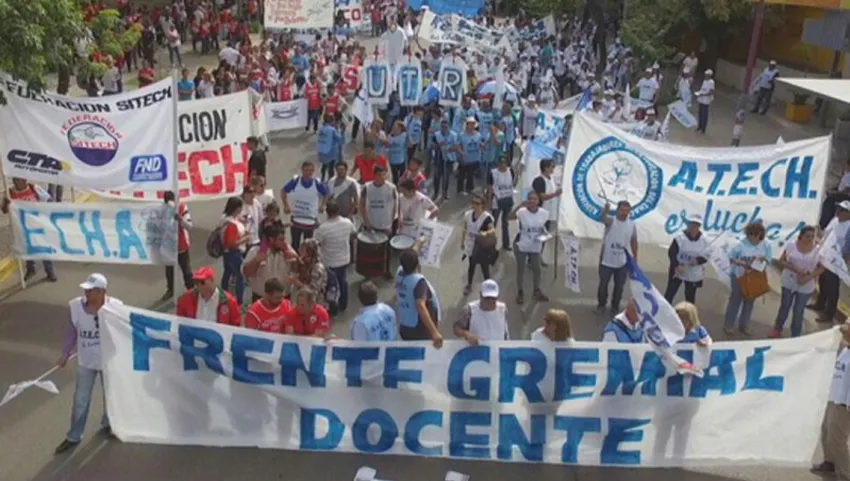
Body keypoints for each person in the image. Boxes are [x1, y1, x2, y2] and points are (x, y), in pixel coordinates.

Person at [54, 273, 124, 454]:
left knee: (110, 395)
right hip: (86, 361)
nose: (86, 293)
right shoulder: (76, 307)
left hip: (108, 361)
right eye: (86, 290)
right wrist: (65, 353)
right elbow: (72, 331)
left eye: (91, 291)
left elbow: (124, 330)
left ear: (102, 292)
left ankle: (109, 424)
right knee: (80, 400)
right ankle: (73, 436)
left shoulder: (115, 307)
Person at [811, 323, 850, 480]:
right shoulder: (845, 350)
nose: (845, 331)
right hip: (833, 397)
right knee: (826, 431)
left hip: (844, 404)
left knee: (837, 439)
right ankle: (830, 462)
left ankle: (846, 473)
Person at [769, 226, 823, 338]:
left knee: (798, 310)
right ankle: (777, 329)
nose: (810, 239)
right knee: (785, 306)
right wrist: (795, 269)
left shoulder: (818, 250)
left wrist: (808, 278)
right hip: (789, 280)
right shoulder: (791, 245)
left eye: (812, 237)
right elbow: (782, 260)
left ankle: (795, 335)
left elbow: (822, 267)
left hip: (806, 284)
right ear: (801, 235)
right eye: (807, 236)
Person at [1, 178, 56, 282]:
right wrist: (6, 203)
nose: (22, 182)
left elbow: (49, 199)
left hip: (38, 224)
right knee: (28, 249)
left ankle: (49, 271)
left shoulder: (34, 188)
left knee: (43, 248)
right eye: (19, 180)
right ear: (14, 181)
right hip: (22, 226)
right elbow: (4, 210)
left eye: (23, 179)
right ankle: (31, 269)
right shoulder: (10, 193)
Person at [724, 221, 773, 336]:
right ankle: (728, 325)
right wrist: (741, 263)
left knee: (749, 301)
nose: (757, 238)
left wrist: (762, 260)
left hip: (755, 277)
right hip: (739, 276)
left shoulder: (766, 244)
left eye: (759, 236)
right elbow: (731, 258)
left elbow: (769, 259)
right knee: (735, 301)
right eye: (754, 235)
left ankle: (744, 325)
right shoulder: (739, 244)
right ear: (749, 234)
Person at [395, 237, 443, 347]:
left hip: (405, 324)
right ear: (417, 264)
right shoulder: (418, 282)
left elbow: (411, 256)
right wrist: (434, 332)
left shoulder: (399, 273)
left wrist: (419, 242)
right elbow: (420, 305)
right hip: (419, 330)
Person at [810, 201, 850, 323]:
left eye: (842, 210)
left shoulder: (848, 226)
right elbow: (825, 234)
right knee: (822, 281)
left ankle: (829, 314)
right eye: (838, 208)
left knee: (832, 288)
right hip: (824, 255)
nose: (838, 211)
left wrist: (843, 261)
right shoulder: (834, 220)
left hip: (836, 261)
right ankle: (820, 304)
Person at [314, 201, 357, 313]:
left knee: (331, 286)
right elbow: (354, 233)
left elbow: (315, 243)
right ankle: (343, 304)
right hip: (344, 259)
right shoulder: (347, 223)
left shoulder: (323, 228)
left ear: (327, 213)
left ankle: (333, 308)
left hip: (329, 262)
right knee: (343, 281)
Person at [596, 200, 638, 315]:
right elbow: (603, 218)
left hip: (622, 261)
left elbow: (633, 240)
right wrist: (605, 210)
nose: (624, 213)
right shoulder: (611, 221)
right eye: (622, 210)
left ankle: (615, 306)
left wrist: (634, 258)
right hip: (607, 260)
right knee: (603, 284)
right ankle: (601, 304)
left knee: (619, 286)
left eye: (627, 211)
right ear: (617, 210)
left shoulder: (632, 225)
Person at [509, 191, 550, 305]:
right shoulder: (522, 212)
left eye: (534, 199)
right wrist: (519, 206)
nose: (532, 201)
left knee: (537, 270)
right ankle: (520, 291)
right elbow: (510, 217)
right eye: (530, 199)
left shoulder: (543, 213)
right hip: (522, 245)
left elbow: (543, 228)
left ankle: (536, 290)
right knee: (520, 270)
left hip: (535, 246)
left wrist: (546, 235)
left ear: (538, 201)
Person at [281, 161, 330, 251]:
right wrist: (286, 205)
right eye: (306, 170)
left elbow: (326, 193)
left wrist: (323, 205)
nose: (308, 173)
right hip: (296, 219)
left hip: (310, 220)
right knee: (295, 243)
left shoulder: (317, 183)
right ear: (302, 170)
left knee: (307, 245)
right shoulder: (295, 181)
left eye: (310, 171)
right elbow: (283, 191)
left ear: (313, 171)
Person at [360, 165, 399, 277]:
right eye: (379, 175)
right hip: (371, 224)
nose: (382, 177)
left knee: (386, 251)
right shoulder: (367, 187)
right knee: (371, 250)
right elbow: (362, 205)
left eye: (384, 175)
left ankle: (386, 270)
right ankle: (370, 272)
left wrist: (392, 223)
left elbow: (395, 205)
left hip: (385, 225)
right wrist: (366, 222)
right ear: (374, 175)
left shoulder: (391, 188)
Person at [243, 227, 298, 302]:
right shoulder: (255, 251)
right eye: (280, 240)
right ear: (271, 240)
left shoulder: (288, 250)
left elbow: (297, 270)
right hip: (261, 298)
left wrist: (295, 259)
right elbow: (246, 273)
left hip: (283, 298)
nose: (284, 242)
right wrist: (256, 261)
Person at [663, 214, 709, 303]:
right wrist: (676, 264)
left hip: (693, 270)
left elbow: (707, 255)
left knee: (690, 295)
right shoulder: (680, 237)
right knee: (670, 293)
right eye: (692, 223)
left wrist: (698, 260)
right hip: (678, 270)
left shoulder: (704, 239)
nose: (693, 226)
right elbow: (672, 252)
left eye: (696, 224)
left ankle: (689, 314)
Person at [176, 267, 242, 325]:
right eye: (196, 282)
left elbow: (235, 325)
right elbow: (179, 320)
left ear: (211, 280)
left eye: (202, 282)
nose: (199, 285)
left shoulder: (229, 301)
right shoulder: (186, 298)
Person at [454, 279, 509, 344]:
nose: (490, 301)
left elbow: (504, 332)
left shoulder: (503, 309)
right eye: (487, 298)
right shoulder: (469, 310)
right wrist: (466, 334)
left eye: (493, 298)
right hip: (476, 351)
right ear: (480, 295)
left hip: (497, 352)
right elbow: (456, 329)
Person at [461, 194, 496, 296]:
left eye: (477, 203)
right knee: (471, 265)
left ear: (482, 205)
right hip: (471, 245)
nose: (475, 205)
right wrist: (462, 241)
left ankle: (488, 288)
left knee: (484, 268)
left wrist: (486, 233)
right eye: (473, 203)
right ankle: (469, 285)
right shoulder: (468, 214)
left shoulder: (487, 217)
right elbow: (465, 228)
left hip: (482, 247)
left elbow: (493, 230)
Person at [531, 158, 562, 266]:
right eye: (551, 166)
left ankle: (539, 257)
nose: (553, 169)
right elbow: (542, 196)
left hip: (549, 213)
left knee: (544, 237)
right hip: (540, 213)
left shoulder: (551, 179)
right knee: (538, 236)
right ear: (545, 167)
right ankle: (533, 259)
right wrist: (555, 194)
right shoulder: (539, 180)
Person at [162, 191, 193, 300]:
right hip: (168, 247)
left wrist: (180, 219)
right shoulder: (162, 210)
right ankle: (170, 290)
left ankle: (191, 291)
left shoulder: (182, 207)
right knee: (169, 272)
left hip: (182, 246)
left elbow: (189, 226)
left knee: (187, 271)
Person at [219, 196, 249, 305]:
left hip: (226, 253)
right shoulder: (232, 225)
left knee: (227, 273)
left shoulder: (224, 218)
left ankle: (224, 296)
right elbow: (232, 243)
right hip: (234, 253)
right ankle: (239, 301)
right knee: (240, 277)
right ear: (236, 208)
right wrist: (245, 238)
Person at [487, 155, 516, 251]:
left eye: (504, 162)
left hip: (508, 200)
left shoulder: (510, 171)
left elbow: (512, 185)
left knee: (505, 223)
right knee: (493, 223)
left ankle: (506, 244)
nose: (502, 164)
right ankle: (490, 244)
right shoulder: (493, 173)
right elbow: (490, 188)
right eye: (501, 162)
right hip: (497, 201)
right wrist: (489, 202)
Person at [289, 239, 329, 308]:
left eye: (302, 249)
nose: (299, 250)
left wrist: (299, 284)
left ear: (309, 252)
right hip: (301, 301)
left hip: (315, 303)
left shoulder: (318, 268)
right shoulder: (302, 262)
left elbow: (314, 291)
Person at [431, 117, 460, 201]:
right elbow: (432, 146)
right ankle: (436, 192)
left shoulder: (453, 135)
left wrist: (450, 149)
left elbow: (457, 146)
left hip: (448, 159)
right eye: (442, 127)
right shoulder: (436, 135)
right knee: (436, 177)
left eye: (446, 127)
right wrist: (439, 145)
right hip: (438, 158)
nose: (444, 128)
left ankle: (445, 193)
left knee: (446, 177)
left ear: (448, 127)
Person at [458, 117, 484, 194]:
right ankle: (460, 189)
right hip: (464, 158)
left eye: (473, 124)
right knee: (462, 175)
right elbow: (458, 145)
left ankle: (469, 188)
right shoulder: (462, 135)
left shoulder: (478, 135)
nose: (472, 126)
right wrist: (461, 153)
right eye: (470, 124)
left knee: (471, 174)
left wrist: (482, 146)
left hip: (474, 158)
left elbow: (480, 144)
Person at [318, 114, 343, 182]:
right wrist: (339, 130)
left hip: (321, 151)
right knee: (331, 168)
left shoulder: (321, 128)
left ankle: (322, 178)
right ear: (332, 121)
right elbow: (339, 139)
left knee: (324, 165)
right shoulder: (332, 130)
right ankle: (331, 181)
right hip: (330, 152)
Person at [695, 69, 715, 134]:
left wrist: (703, 94)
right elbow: (702, 89)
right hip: (701, 99)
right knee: (700, 113)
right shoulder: (704, 81)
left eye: (706, 75)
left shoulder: (711, 82)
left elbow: (711, 92)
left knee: (704, 114)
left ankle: (703, 128)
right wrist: (699, 93)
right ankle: (699, 126)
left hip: (706, 100)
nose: (705, 76)